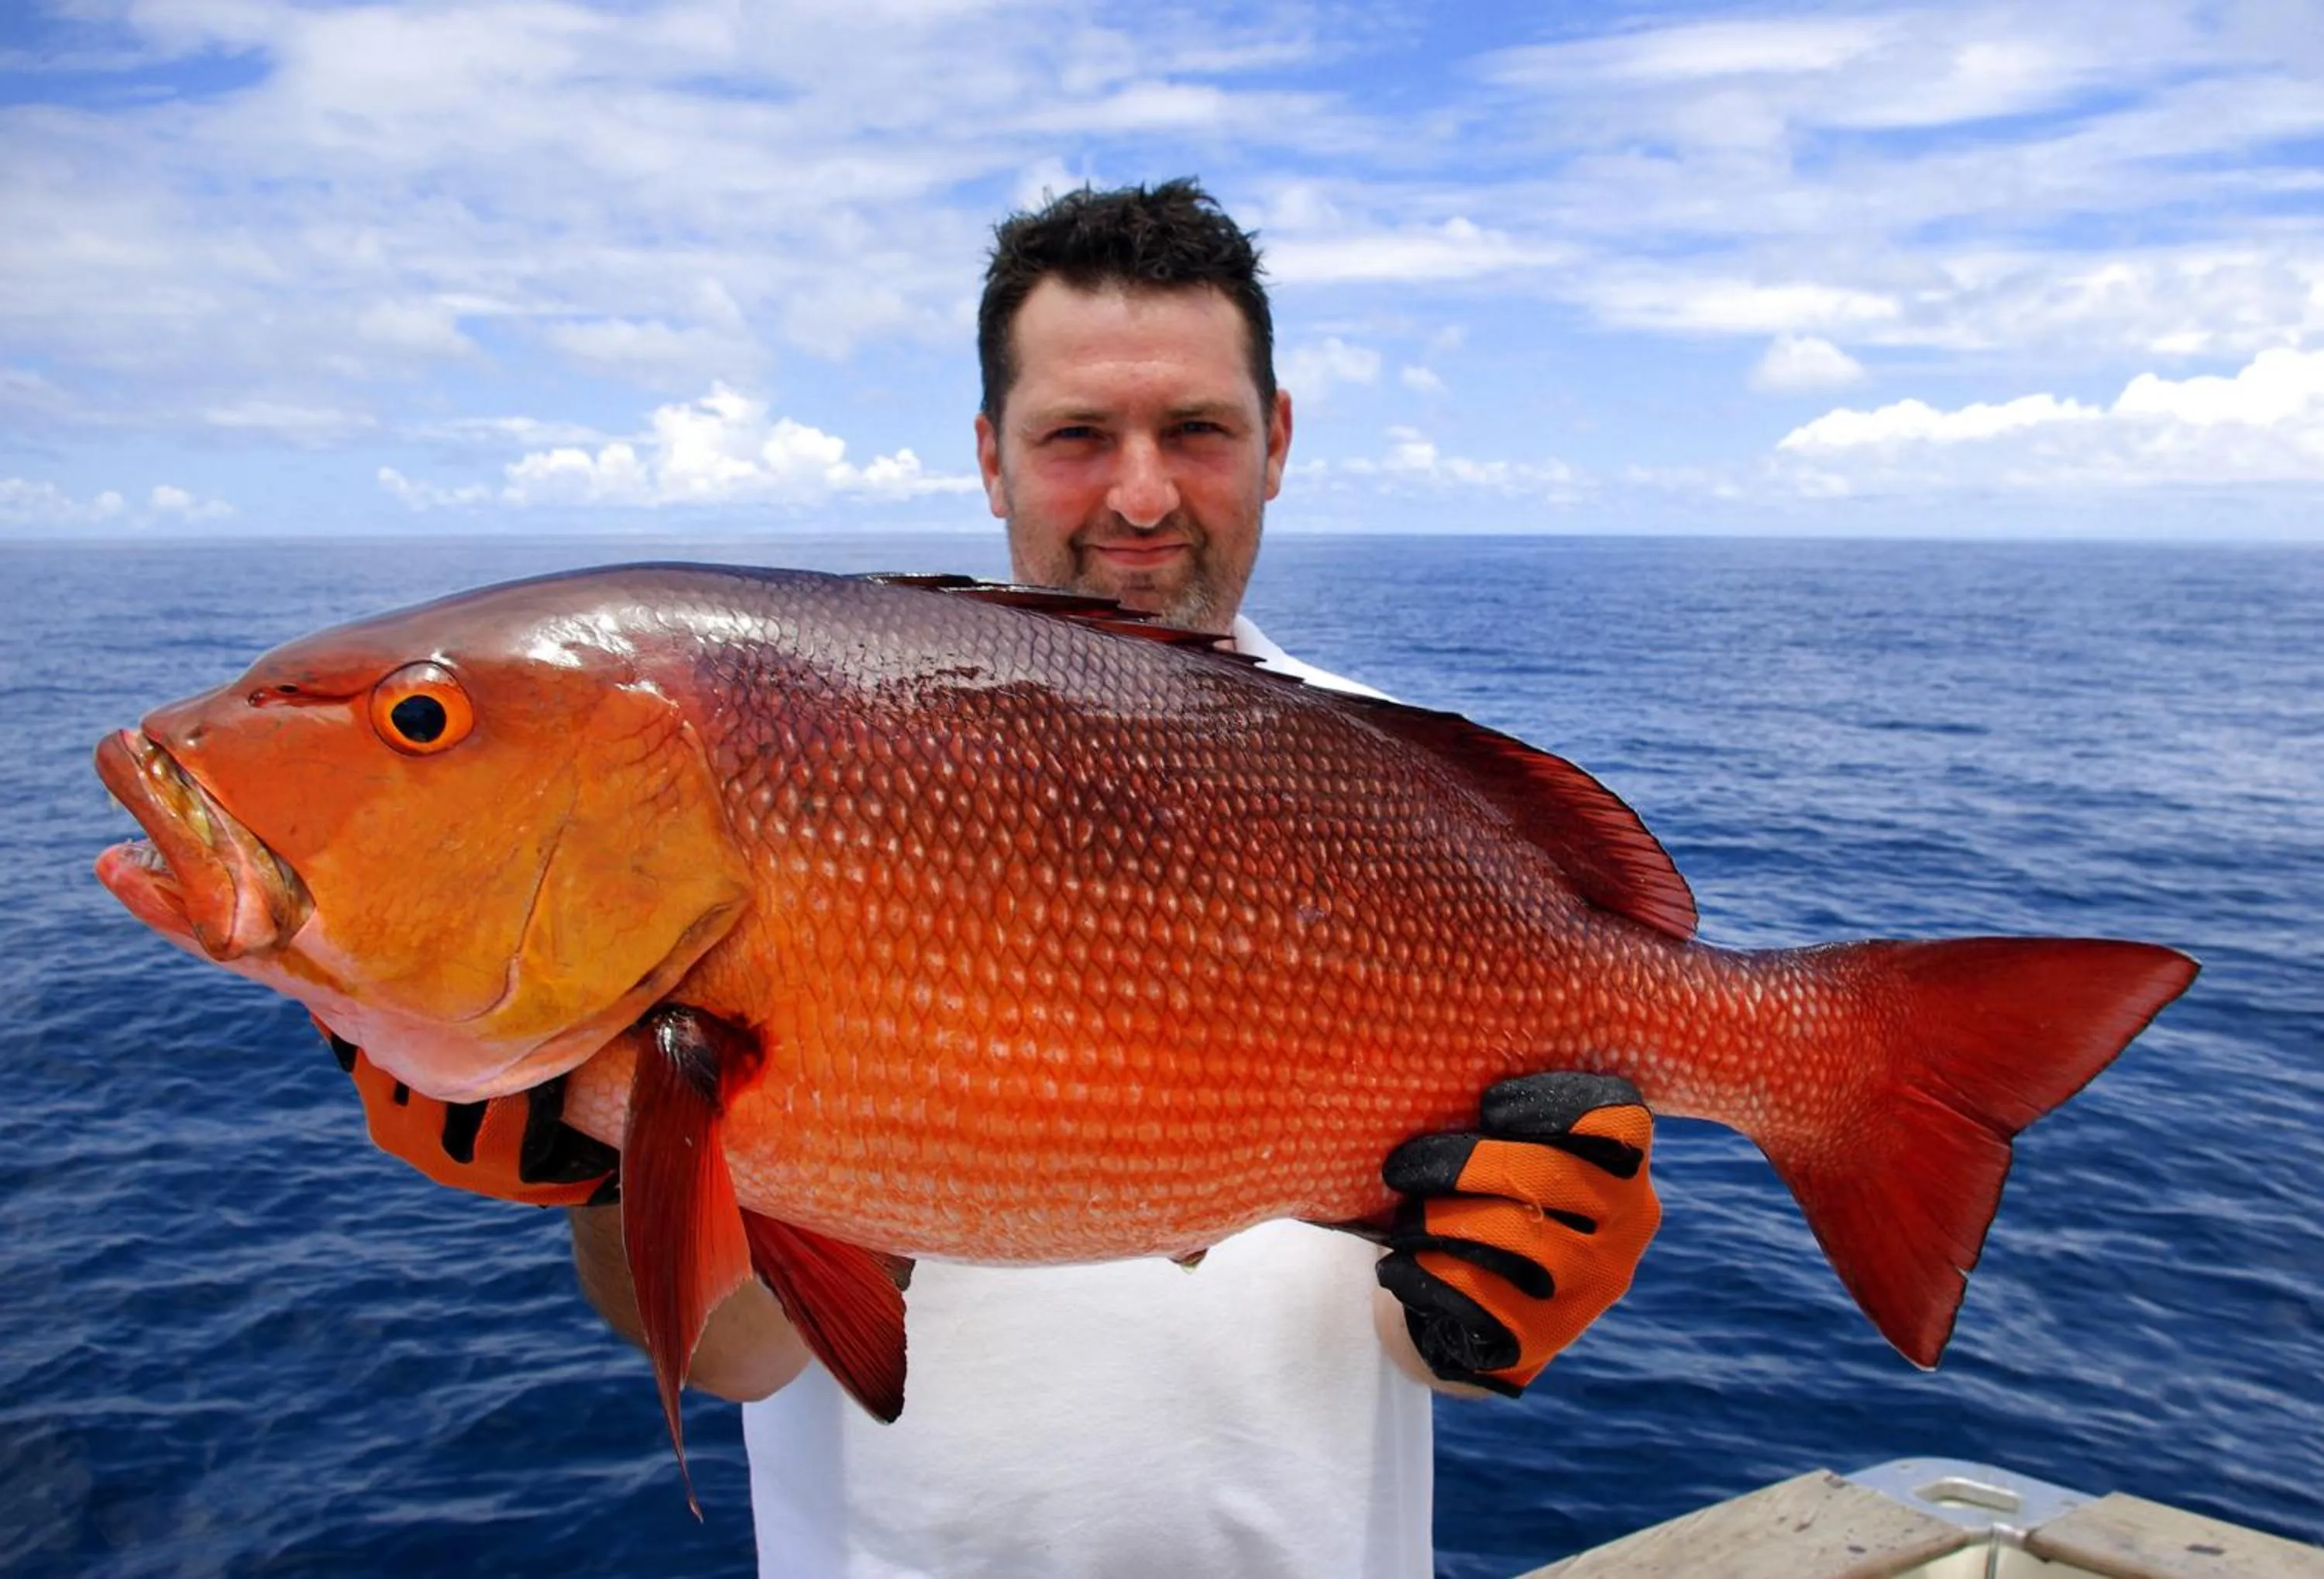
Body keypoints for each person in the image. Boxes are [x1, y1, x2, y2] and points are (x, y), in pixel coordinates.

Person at [339, 180, 1660, 1578]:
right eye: (1079, 435)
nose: (1141, 493)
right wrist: (610, 1180)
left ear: (1276, 441)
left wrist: (1520, 1292)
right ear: (991, 456)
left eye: (1196, 430)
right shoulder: (825, 745)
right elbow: (738, 1352)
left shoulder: (1412, 795)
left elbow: (1427, 1356)